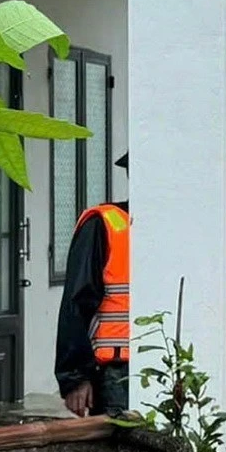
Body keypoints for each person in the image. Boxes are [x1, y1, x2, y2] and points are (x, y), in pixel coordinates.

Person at [55, 153, 131, 417]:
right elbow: (76, 303)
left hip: (165, 367)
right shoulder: (105, 224)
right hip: (116, 375)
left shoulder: (175, 227)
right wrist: (75, 378)